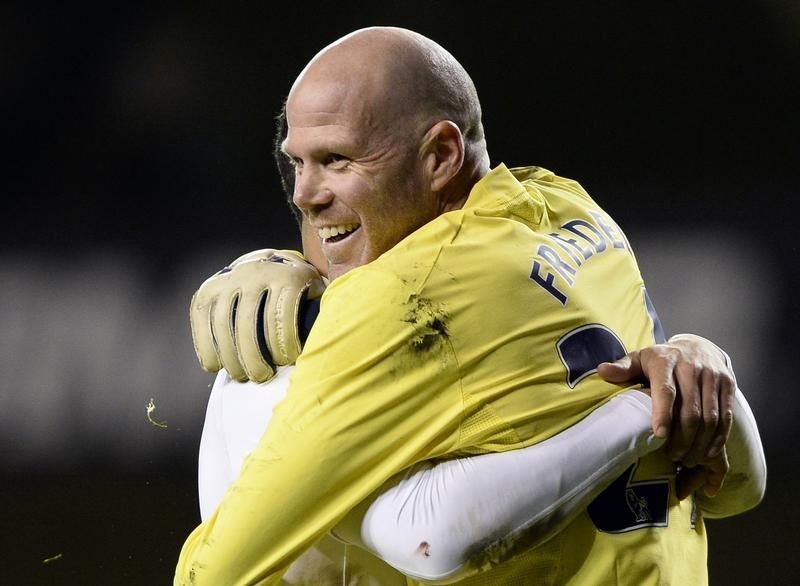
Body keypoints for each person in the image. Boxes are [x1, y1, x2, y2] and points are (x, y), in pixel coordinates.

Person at [176, 27, 762, 584]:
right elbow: (738, 489)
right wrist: (690, 370)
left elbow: (217, 572)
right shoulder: (569, 210)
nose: (304, 192)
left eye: (338, 160)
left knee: (253, 372)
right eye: (296, 161)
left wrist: (342, 500)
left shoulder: (397, 301)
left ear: (441, 156)